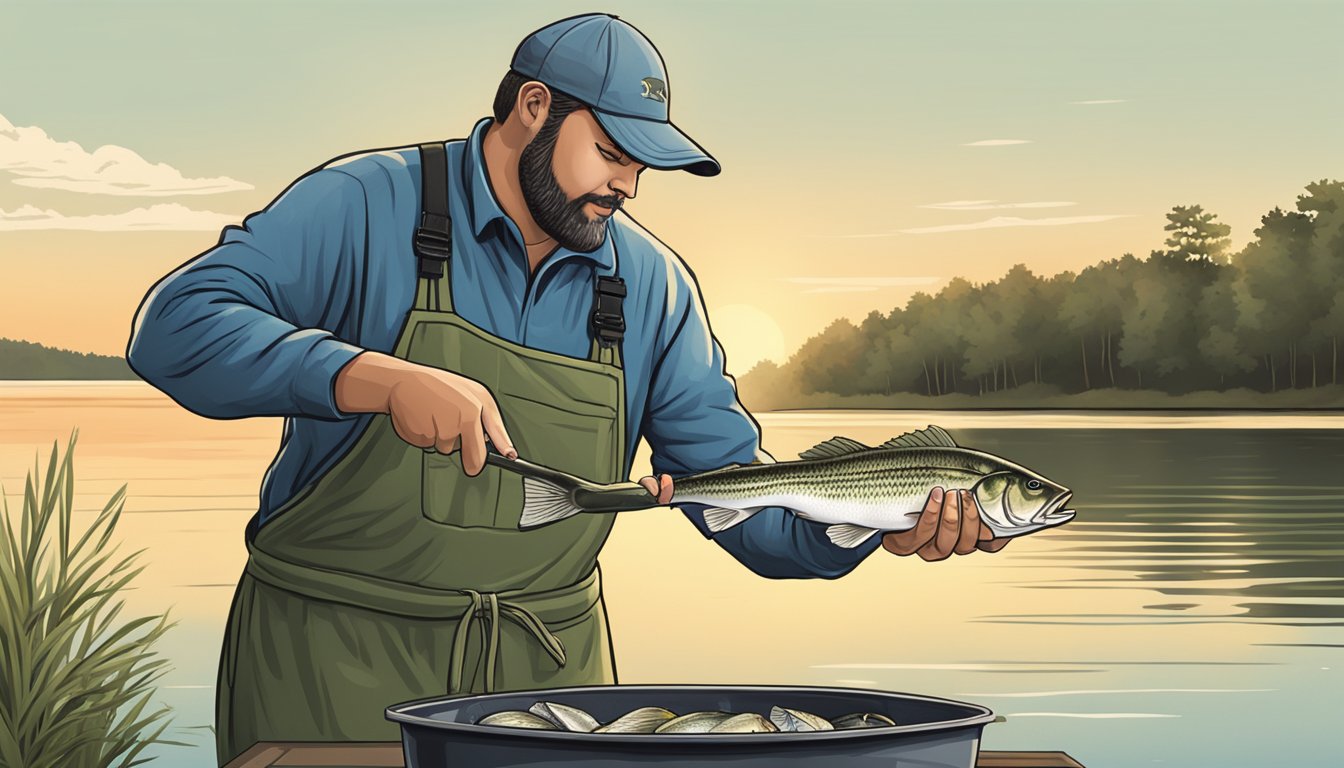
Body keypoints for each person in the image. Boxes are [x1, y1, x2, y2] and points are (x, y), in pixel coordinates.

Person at [125, 13, 1009, 766]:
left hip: (552, 688)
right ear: (532, 107)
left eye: (642, 165)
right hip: (328, 659)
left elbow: (738, 500)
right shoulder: (365, 203)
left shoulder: (654, 286)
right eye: (613, 152)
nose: (626, 185)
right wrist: (370, 378)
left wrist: (866, 526)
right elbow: (172, 326)